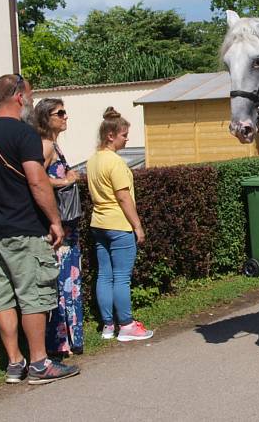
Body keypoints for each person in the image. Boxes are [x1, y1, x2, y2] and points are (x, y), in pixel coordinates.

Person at [0, 74, 79, 385]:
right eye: (29, 96)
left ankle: (14, 363)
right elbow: (36, 180)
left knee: (3, 297)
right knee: (33, 295)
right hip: (25, 227)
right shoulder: (24, 134)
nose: (31, 101)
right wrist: (55, 221)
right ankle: (40, 363)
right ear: (18, 97)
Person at [86, 107, 153, 342]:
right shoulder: (115, 163)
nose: (127, 139)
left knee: (104, 275)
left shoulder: (93, 161)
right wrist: (138, 226)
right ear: (110, 136)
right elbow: (123, 197)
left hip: (99, 223)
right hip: (119, 224)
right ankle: (126, 324)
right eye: (124, 135)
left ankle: (107, 325)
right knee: (122, 277)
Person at [32, 98, 84, 357]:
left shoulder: (54, 144)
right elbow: (36, 178)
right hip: (58, 228)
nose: (65, 117)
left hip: (68, 227)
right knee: (62, 282)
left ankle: (70, 339)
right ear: (45, 118)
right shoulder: (45, 145)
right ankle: (59, 341)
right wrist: (65, 180)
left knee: (69, 280)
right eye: (59, 113)